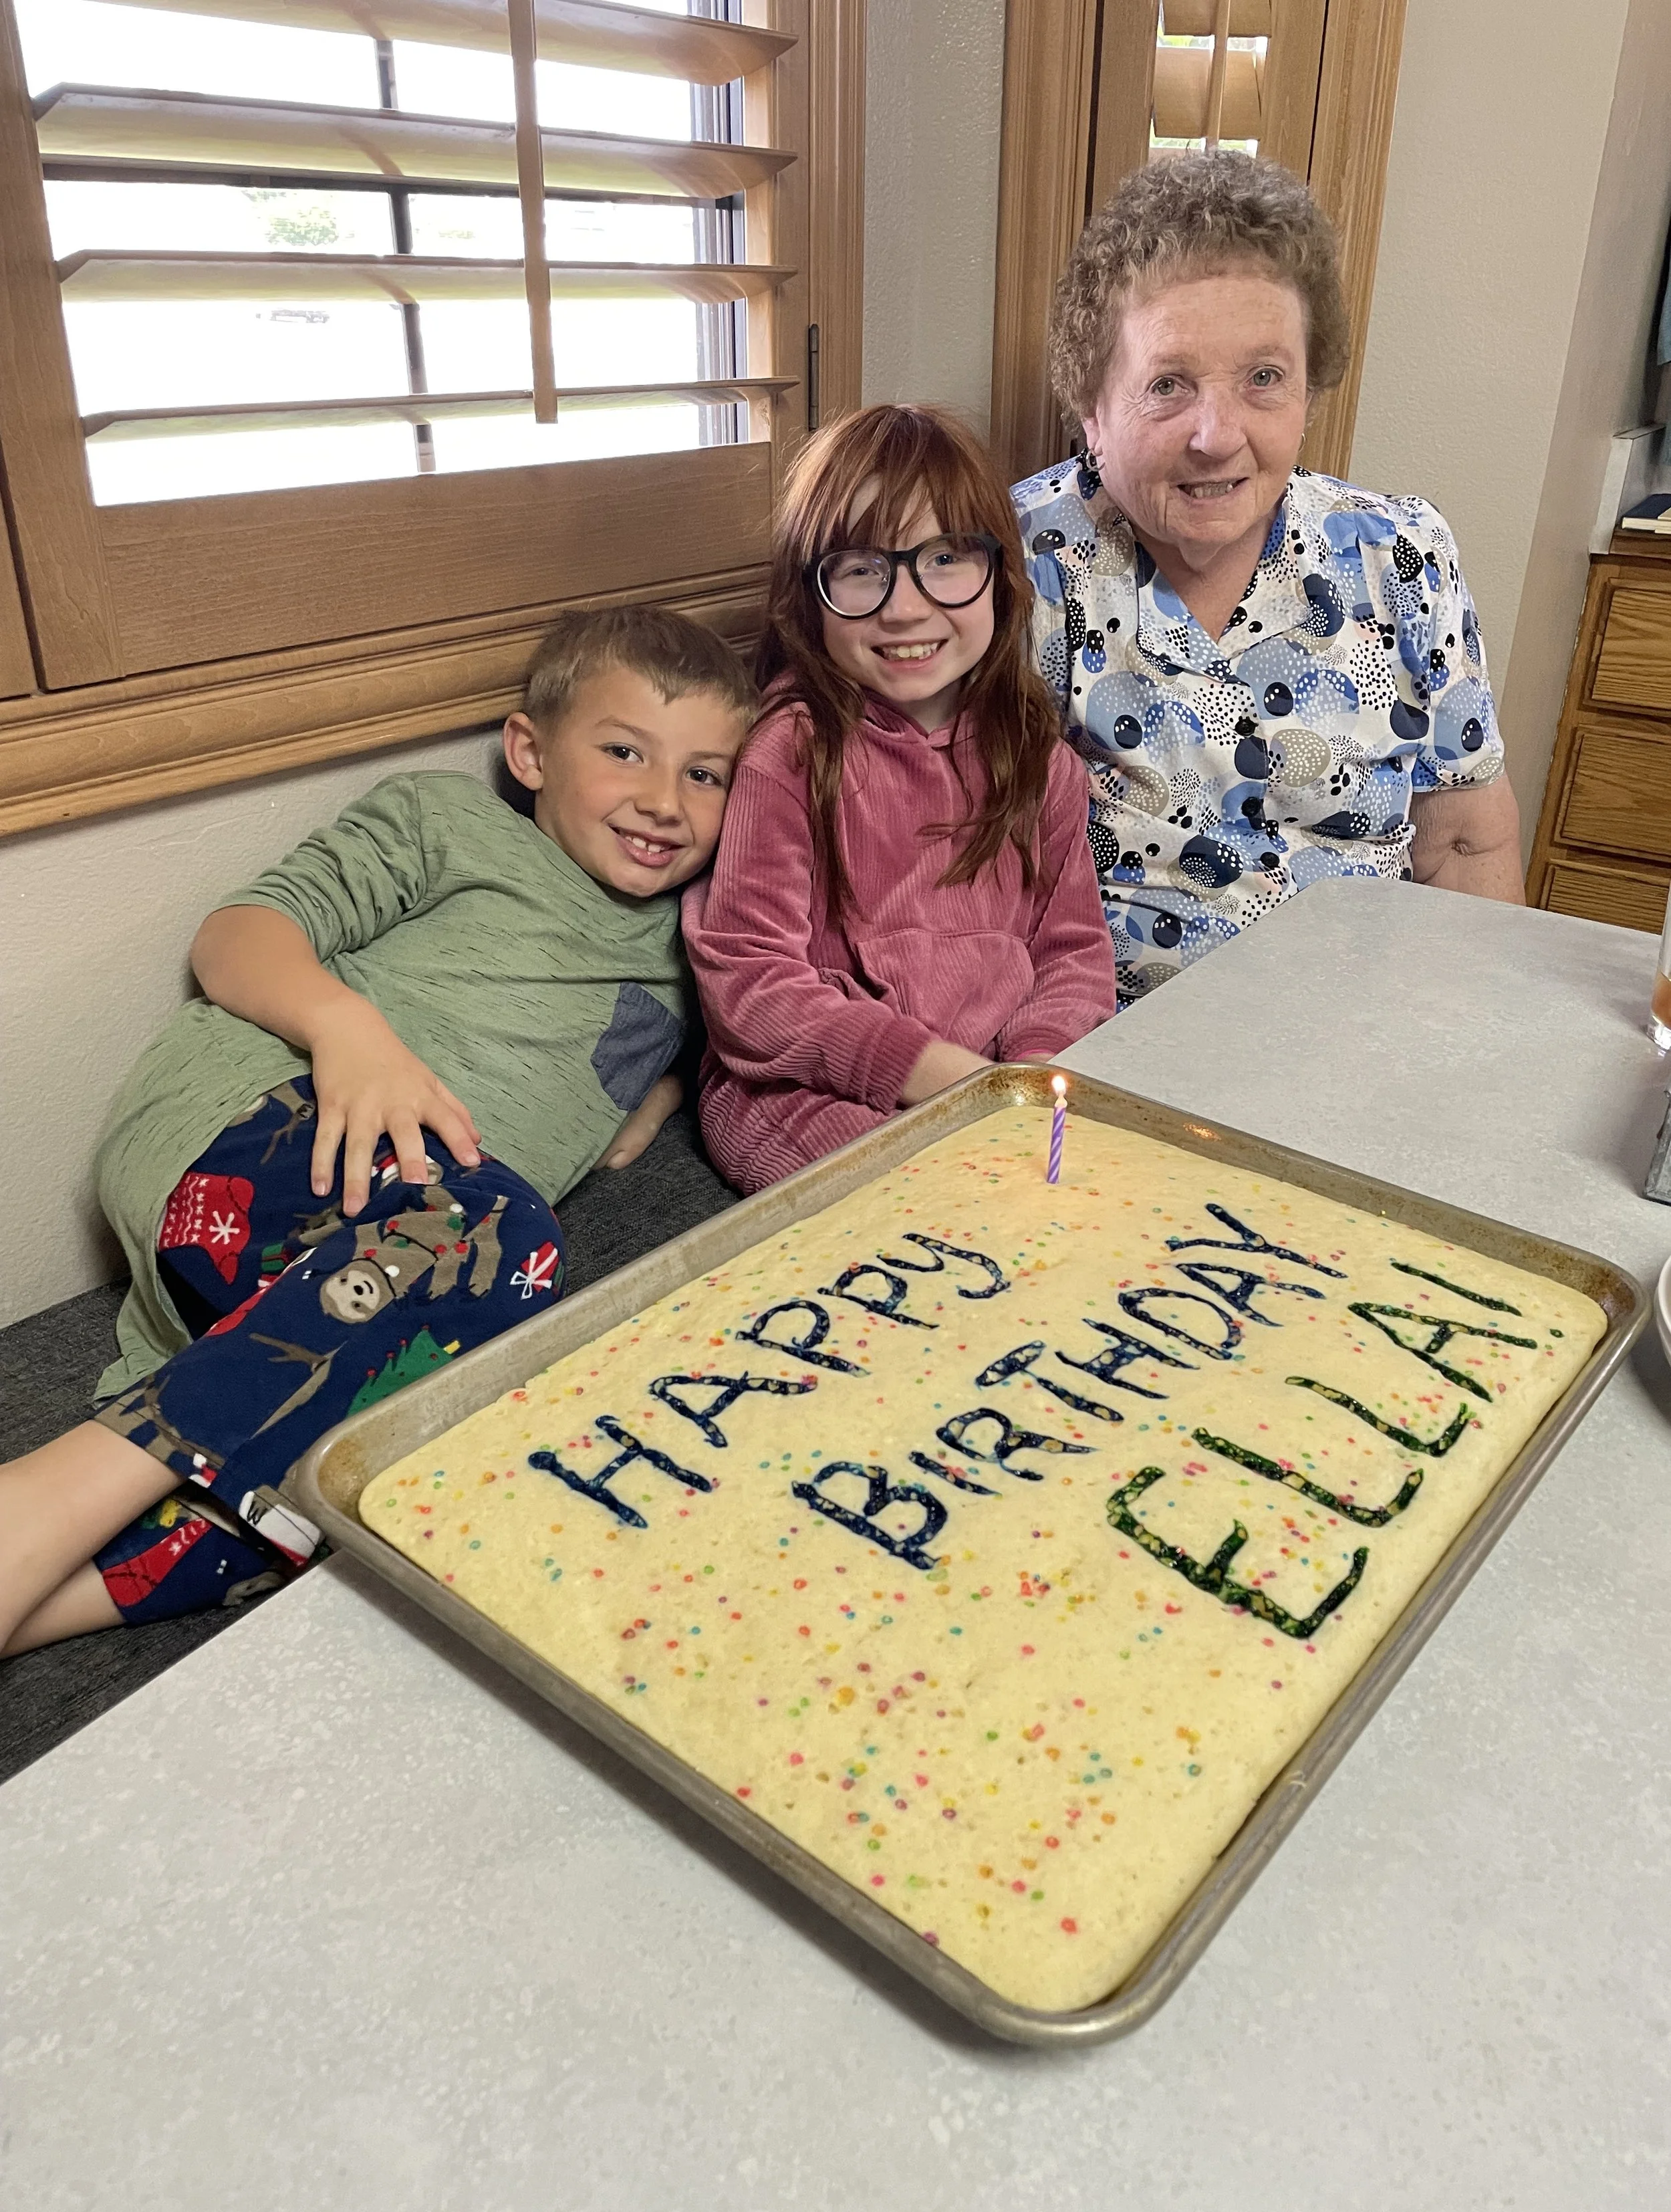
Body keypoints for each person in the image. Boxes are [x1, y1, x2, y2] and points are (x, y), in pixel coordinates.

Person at [0, 604, 754, 1655]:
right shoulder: (451, 823)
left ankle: (49, 1598)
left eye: (706, 774)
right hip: (261, 1122)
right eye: (625, 751)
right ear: (530, 752)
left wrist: (665, 1090)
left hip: (377, 1260)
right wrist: (347, 1031)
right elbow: (236, 935)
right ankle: (29, 1505)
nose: (663, 801)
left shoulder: (702, 933)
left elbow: (671, 1079)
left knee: (427, 1448)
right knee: (502, 1233)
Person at [1014, 150, 1524, 1006]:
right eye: (1168, 385)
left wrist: (1456, 1050)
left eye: (1263, 378)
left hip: (1357, 1038)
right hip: (1110, 1053)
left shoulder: (1403, 556)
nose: (1218, 435)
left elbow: (1464, 844)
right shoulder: (1019, 567)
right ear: (1092, 410)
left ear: (1309, 393)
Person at [684, 402, 1118, 1193]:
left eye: (946, 557)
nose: (906, 606)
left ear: (1000, 575)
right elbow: (752, 985)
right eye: (860, 568)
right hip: (808, 1086)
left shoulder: (1040, 765)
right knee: (928, 1208)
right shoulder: (791, 751)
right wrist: (938, 1075)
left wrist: (1035, 1066)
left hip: (995, 1079)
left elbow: (1074, 957)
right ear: (810, 596)